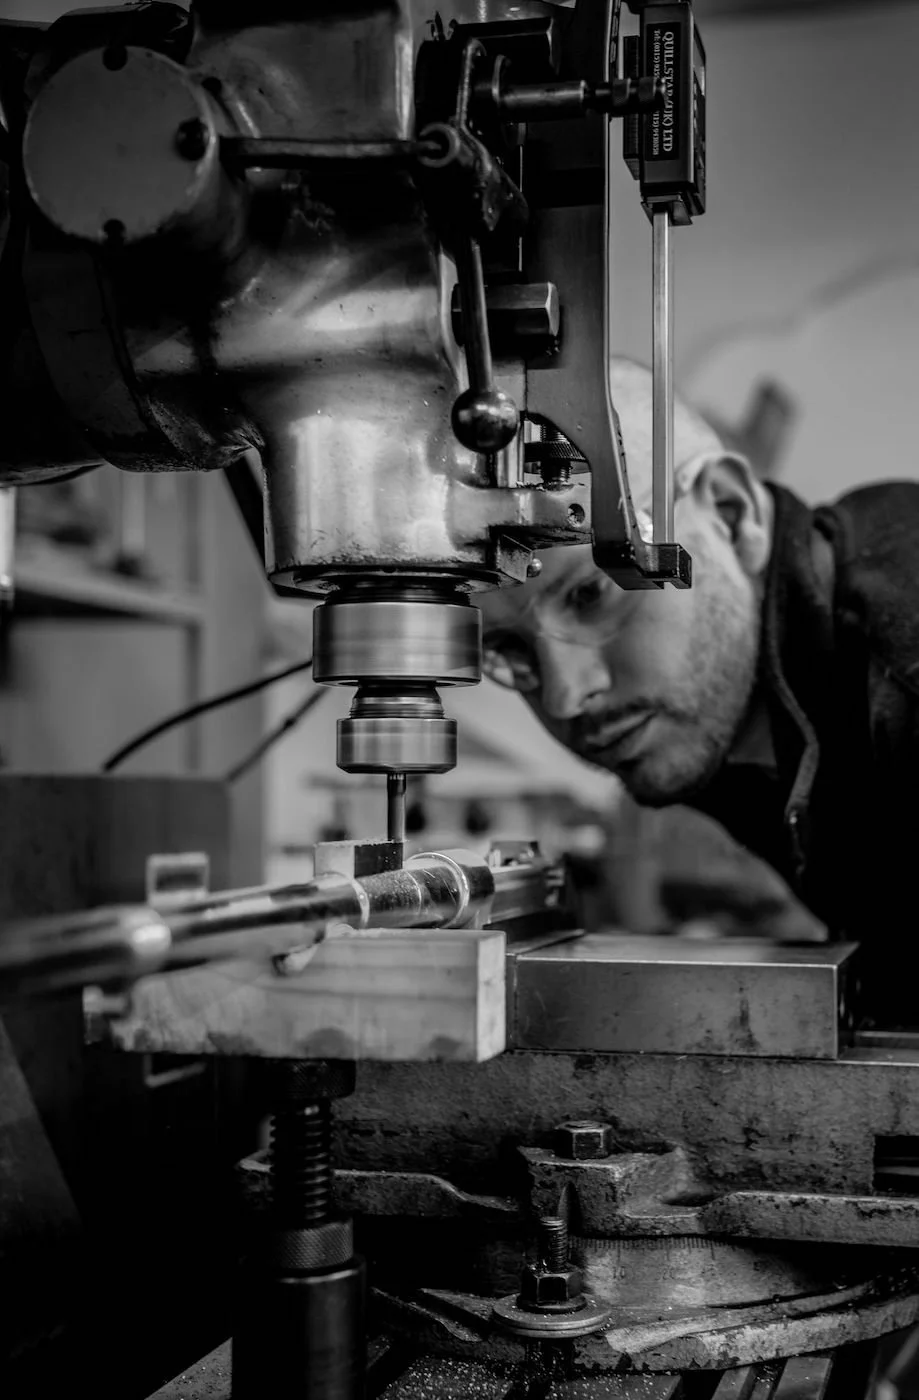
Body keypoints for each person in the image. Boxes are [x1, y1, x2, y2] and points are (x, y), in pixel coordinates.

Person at [479, 359, 919, 1020]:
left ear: (730, 514)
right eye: (508, 650)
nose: (565, 697)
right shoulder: (731, 711)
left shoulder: (902, 674)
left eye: (590, 594)